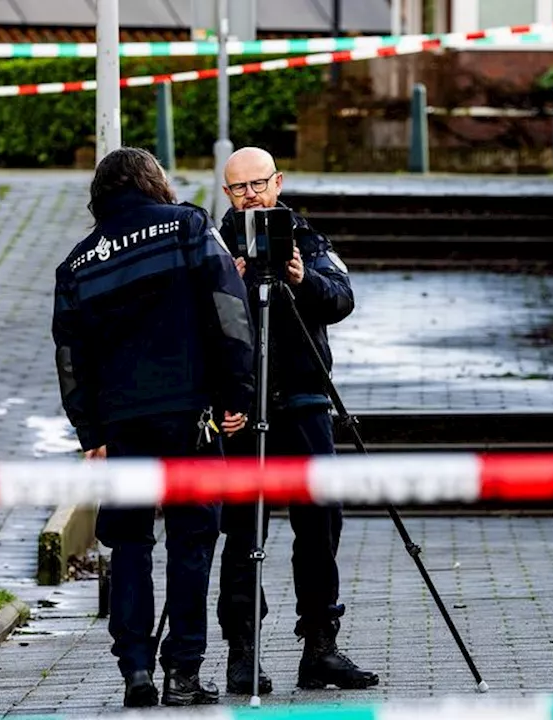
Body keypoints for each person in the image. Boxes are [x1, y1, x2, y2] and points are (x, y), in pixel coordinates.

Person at [52, 147, 255, 708]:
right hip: (190, 416)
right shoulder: (188, 225)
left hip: (122, 428)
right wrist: (238, 389)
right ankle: (183, 673)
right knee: (193, 542)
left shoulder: (76, 264)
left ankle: (136, 670)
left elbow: (70, 357)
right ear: (151, 182)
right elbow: (228, 307)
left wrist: (90, 432)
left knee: (131, 544)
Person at [214, 146, 378, 694]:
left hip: (305, 400)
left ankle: (321, 647)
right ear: (226, 193)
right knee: (243, 531)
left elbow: (342, 300)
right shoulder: (213, 247)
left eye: (258, 184)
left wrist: (303, 278)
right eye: (239, 188)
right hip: (243, 406)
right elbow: (193, 325)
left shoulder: (306, 238)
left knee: (320, 521)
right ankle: (243, 652)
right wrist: (230, 284)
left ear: (278, 182)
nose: (251, 196)